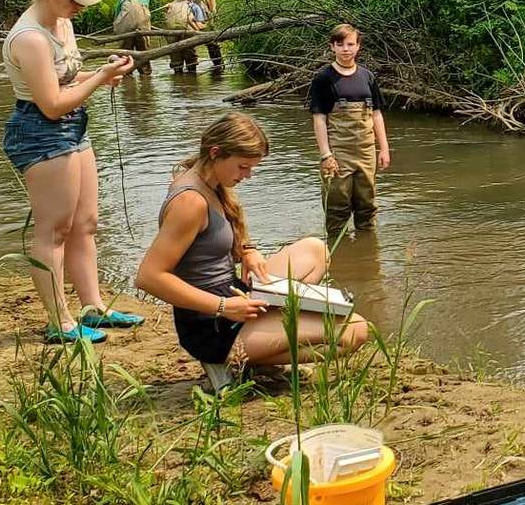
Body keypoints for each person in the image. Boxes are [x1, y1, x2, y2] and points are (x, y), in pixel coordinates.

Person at [134, 112, 370, 385]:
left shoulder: (211, 182)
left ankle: (258, 356)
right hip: (213, 325)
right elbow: (148, 277)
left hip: (233, 293)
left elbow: (215, 239)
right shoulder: (190, 202)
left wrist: (248, 250)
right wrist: (223, 306)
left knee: (315, 250)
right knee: (355, 330)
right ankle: (236, 361)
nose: (248, 175)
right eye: (243, 167)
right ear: (215, 153)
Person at [0, 0, 142, 343]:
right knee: (55, 229)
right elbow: (49, 103)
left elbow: (67, 83)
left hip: (73, 124)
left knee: (86, 223)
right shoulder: (30, 38)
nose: (79, 7)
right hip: (40, 131)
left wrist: (100, 73)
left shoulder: (62, 22)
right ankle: (59, 322)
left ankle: (93, 308)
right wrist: (98, 80)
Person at [308, 24, 391, 234]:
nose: (345, 49)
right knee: (337, 208)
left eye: (350, 44)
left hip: (366, 151)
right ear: (332, 47)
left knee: (367, 206)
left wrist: (384, 149)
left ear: (358, 46)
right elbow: (319, 119)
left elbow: (377, 114)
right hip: (338, 152)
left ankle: (367, 256)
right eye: (340, 44)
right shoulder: (323, 79)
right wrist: (326, 154)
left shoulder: (367, 77)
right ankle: (340, 259)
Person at [175, 0, 223, 68]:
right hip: (186, 6)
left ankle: (218, 64)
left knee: (211, 41)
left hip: (201, 6)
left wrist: (213, 8)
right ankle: (191, 66)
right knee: (187, 41)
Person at [110, 0, 153, 75]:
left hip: (125, 30)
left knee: (125, 53)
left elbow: (117, 14)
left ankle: (126, 73)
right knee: (143, 52)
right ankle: (145, 74)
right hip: (141, 29)